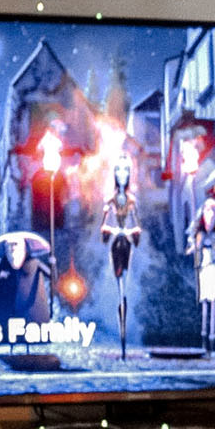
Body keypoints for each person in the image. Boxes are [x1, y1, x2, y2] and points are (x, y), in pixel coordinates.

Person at [100, 155, 142, 361]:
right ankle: (120, 327)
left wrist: (129, 232)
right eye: (119, 170)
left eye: (126, 170)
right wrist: (114, 230)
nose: (122, 174)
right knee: (119, 286)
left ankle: (126, 329)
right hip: (116, 245)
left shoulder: (132, 201)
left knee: (126, 285)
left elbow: (137, 228)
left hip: (128, 246)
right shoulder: (110, 201)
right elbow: (103, 230)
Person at [186, 194, 215, 355]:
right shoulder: (199, 233)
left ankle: (212, 338)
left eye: (213, 210)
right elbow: (192, 247)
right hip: (202, 266)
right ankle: (203, 338)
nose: (210, 214)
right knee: (204, 300)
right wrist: (194, 248)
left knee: (212, 299)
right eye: (207, 210)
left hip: (212, 266)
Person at [0, 234, 51, 334]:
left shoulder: (35, 264)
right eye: (9, 245)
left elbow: (52, 276)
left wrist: (52, 264)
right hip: (6, 321)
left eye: (15, 244)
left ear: (23, 247)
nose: (12, 248)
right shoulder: (1, 267)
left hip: (33, 320)